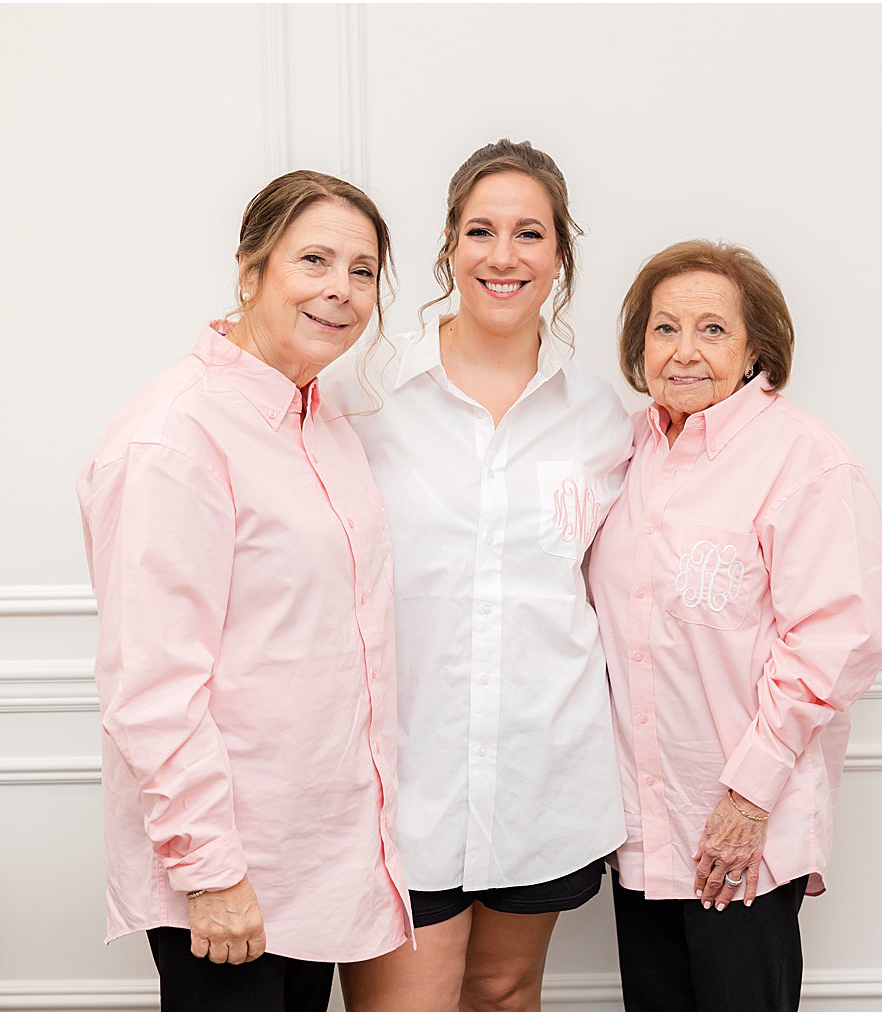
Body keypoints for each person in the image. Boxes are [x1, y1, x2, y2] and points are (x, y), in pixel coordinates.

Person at [76, 170, 411, 1012]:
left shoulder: (320, 419)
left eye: (363, 270)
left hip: (315, 859)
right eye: (315, 260)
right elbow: (153, 684)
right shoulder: (175, 436)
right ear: (251, 268)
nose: (342, 289)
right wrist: (212, 873)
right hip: (229, 872)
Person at [328, 139, 631, 1011]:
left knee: (503, 991)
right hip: (404, 778)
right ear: (449, 248)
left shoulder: (600, 417)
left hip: (543, 775)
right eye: (482, 231)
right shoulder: (366, 394)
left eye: (529, 233)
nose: (505, 256)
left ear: (560, 255)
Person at [588, 240, 882, 1011]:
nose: (684, 351)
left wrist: (747, 798)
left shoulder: (805, 459)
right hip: (643, 832)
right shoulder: (624, 450)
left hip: (740, 832)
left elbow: (836, 642)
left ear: (756, 346)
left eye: (713, 330)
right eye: (664, 329)